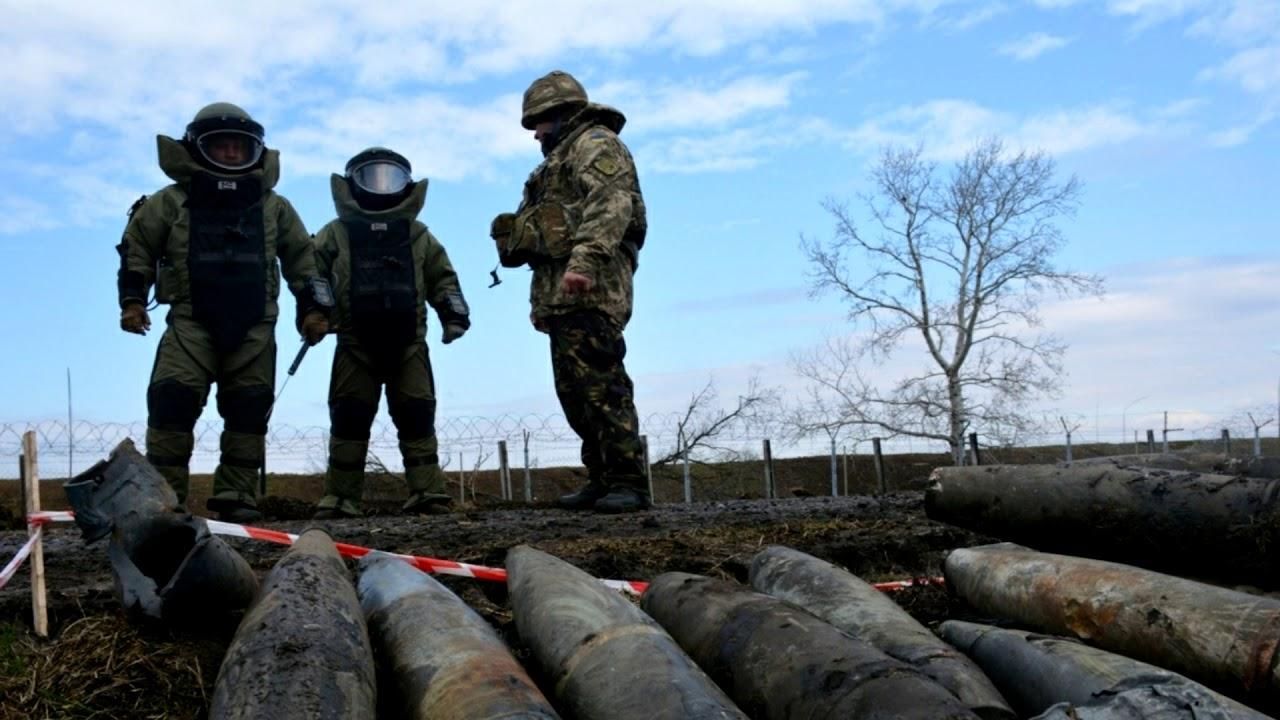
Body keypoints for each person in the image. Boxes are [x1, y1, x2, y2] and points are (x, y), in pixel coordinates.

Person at [116, 102, 331, 523]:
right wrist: (133, 301)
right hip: (190, 325)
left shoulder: (274, 207)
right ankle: (165, 504)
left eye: (240, 146)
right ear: (198, 148)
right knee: (171, 402)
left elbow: (303, 262)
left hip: (255, 329)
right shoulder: (170, 202)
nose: (232, 153)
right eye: (221, 145)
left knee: (249, 410)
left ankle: (237, 496)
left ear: (255, 151)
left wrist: (314, 311)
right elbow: (136, 249)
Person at [490, 70, 649, 513]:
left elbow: (610, 204)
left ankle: (628, 480)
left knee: (601, 383)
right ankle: (602, 478)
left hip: (592, 286)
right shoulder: (556, 162)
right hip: (562, 294)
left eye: (540, 122)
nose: (536, 133)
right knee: (575, 391)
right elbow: (546, 231)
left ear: (561, 114)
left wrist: (584, 264)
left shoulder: (596, 144)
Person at [311, 147, 470, 519]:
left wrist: (454, 317)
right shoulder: (335, 233)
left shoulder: (418, 235)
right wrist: (313, 315)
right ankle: (340, 498)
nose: (382, 186)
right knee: (349, 419)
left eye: (391, 178)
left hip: (409, 344)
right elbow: (312, 276)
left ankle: (428, 493)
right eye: (372, 177)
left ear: (406, 185)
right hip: (353, 344)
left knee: (417, 416)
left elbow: (443, 279)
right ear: (353, 185)